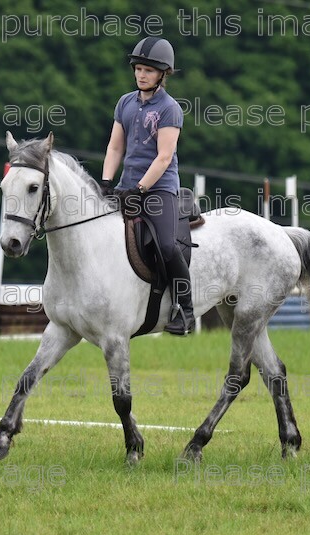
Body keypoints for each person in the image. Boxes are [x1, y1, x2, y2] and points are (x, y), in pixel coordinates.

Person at [101, 37, 195, 335]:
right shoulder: (125, 103)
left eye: (148, 70)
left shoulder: (170, 109)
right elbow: (115, 148)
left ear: (162, 73)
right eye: (138, 69)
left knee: (167, 245)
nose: (141, 74)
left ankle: (186, 310)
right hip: (126, 187)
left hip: (159, 191)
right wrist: (106, 182)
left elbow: (164, 157)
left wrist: (139, 189)